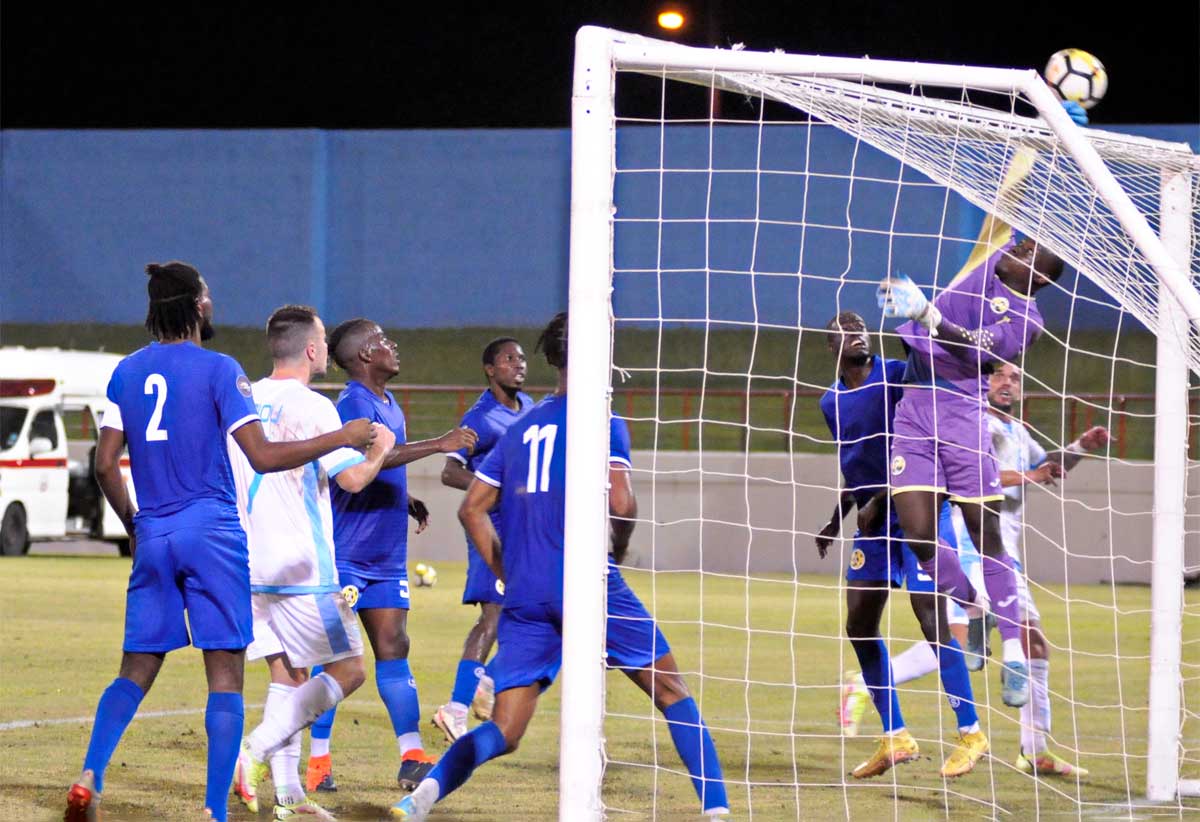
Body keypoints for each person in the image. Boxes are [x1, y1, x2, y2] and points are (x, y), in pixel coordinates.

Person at [65, 263, 375, 822]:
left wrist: (135, 524)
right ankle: (213, 809)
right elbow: (262, 455)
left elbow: (106, 463)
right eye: (207, 295)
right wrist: (342, 436)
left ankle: (91, 772)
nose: (212, 303)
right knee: (225, 675)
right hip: (212, 534)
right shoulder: (219, 370)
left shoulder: (127, 372)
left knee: (135, 667)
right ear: (194, 305)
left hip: (155, 532)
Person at [392, 313, 729, 821]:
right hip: (587, 585)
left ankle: (419, 799)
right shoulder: (602, 418)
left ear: (550, 360)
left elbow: (471, 508)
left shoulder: (522, 427)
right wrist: (616, 551)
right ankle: (718, 811)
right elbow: (622, 500)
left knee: (504, 729)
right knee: (671, 690)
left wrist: (507, 571)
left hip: (527, 595)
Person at [877, 234, 1065, 708]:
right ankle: (976, 608)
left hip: (962, 414)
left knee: (987, 535)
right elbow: (1003, 212)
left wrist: (927, 314)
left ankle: (1013, 652)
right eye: (1020, 246)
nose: (1016, 253)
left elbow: (973, 352)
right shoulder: (989, 260)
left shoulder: (1027, 321)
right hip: (914, 410)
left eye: (1027, 254)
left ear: (1038, 277)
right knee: (919, 537)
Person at [225, 305, 396, 819]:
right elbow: (352, 480)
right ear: (314, 350)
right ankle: (253, 750)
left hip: (248, 564)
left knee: (288, 677)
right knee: (350, 669)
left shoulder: (243, 399)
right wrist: (381, 450)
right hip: (301, 565)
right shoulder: (315, 407)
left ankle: (290, 797)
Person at [303, 318, 478, 795]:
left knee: (394, 647)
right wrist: (440, 444)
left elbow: (383, 461)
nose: (392, 345)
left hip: (385, 554)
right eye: (381, 341)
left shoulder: (388, 400)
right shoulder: (353, 404)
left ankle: (412, 756)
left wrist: (404, 500)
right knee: (336, 657)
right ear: (363, 355)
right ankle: (317, 762)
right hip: (349, 553)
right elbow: (371, 455)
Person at [815, 312, 985, 779]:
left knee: (930, 616)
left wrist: (918, 315)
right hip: (871, 520)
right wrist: (836, 520)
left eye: (863, 329)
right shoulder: (830, 402)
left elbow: (918, 436)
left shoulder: (895, 373)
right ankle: (896, 737)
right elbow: (855, 465)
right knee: (859, 623)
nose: (859, 336)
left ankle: (970, 732)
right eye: (848, 332)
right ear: (832, 347)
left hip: (918, 507)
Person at [985, 362, 1106, 777]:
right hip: (976, 545)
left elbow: (1048, 465)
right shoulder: (973, 424)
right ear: (982, 380)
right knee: (1001, 643)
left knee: (1026, 645)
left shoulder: (1017, 431)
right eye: (998, 375)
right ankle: (868, 681)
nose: (1007, 383)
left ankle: (1033, 751)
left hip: (1004, 551)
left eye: (1016, 377)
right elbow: (971, 478)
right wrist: (1030, 474)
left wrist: (1081, 446)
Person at [431, 337, 532, 743]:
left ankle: (486, 683)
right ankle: (456, 708)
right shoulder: (481, 416)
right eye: (509, 359)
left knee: (525, 611)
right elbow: (450, 472)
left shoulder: (530, 409)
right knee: (493, 614)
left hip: (523, 528)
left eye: (522, 358)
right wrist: (494, 491)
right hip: (489, 526)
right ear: (490, 369)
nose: (519, 365)